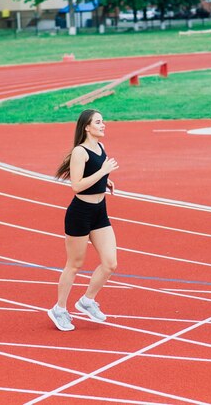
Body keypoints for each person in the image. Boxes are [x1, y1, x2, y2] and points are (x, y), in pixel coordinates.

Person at [48, 109, 119, 331]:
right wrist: (103, 172)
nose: (103, 124)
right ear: (87, 127)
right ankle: (59, 309)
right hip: (80, 213)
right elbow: (76, 185)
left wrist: (105, 181)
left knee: (110, 263)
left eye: (103, 121)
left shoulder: (100, 147)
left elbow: (94, 173)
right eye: (98, 122)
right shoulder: (80, 152)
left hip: (100, 210)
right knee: (74, 264)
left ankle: (87, 300)